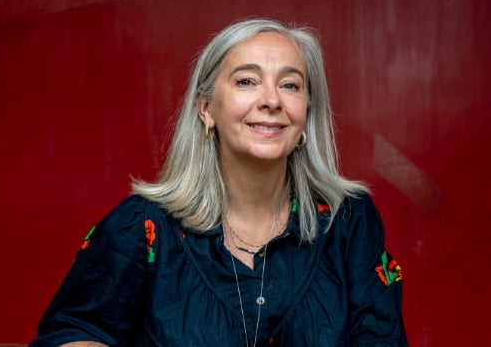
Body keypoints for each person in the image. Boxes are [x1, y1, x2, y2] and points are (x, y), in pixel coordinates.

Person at [30, 18, 408, 346]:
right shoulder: (144, 227)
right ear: (207, 109)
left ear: (305, 115)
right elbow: (69, 333)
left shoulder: (349, 223)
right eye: (247, 81)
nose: (272, 100)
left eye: (290, 85)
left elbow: (383, 337)